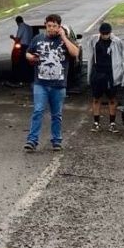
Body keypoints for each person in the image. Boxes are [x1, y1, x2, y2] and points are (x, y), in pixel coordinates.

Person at [23, 14, 80, 152]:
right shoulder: (38, 39)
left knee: (57, 114)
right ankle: (32, 140)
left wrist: (64, 37)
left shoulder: (65, 40)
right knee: (38, 111)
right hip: (40, 83)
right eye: (49, 26)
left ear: (59, 27)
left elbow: (75, 52)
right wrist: (31, 57)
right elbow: (28, 53)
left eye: (54, 26)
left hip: (58, 84)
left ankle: (56, 140)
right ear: (45, 25)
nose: (51, 29)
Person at [87, 22, 124, 133]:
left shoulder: (117, 42)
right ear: (99, 32)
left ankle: (112, 123)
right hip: (97, 73)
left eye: (107, 33)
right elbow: (90, 55)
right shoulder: (94, 40)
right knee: (96, 98)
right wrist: (90, 75)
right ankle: (96, 123)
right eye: (103, 33)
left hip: (111, 75)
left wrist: (121, 74)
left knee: (112, 99)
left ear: (110, 33)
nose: (105, 35)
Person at [9, 16, 35, 87]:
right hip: (30, 47)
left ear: (17, 22)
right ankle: (29, 79)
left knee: (20, 64)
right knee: (29, 64)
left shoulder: (21, 26)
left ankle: (20, 80)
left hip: (23, 47)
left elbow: (18, 39)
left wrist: (12, 37)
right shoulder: (29, 27)